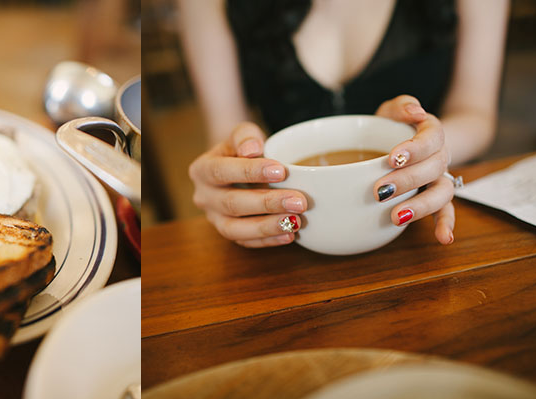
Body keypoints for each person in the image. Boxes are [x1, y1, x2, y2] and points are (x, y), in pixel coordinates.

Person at [178, 0, 509, 248]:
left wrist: (432, 148)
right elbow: (226, 130)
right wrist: (233, 168)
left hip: (423, 219)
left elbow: (475, 112)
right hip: (294, 237)